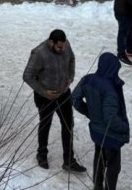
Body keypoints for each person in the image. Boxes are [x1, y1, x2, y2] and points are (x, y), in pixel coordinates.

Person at [23, 29, 86, 173]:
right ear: (51, 42)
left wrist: (70, 76)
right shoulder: (38, 53)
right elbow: (27, 75)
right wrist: (43, 92)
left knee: (68, 125)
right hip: (45, 96)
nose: (62, 49)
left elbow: (72, 59)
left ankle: (69, 160)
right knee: (45, 124)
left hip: (63, 94)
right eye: (59, 47)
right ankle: (42, 154)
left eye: (64, 46)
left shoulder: (65, 45)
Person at [72, 52, 130, 190]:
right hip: (111, 135)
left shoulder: (88, 79)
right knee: (113, 168)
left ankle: (97, 187)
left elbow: (75, 99)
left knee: (99, 161)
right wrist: (124, 127)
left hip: (97, 131)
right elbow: (110, 118)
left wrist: (90, 113)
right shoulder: (110, 90)